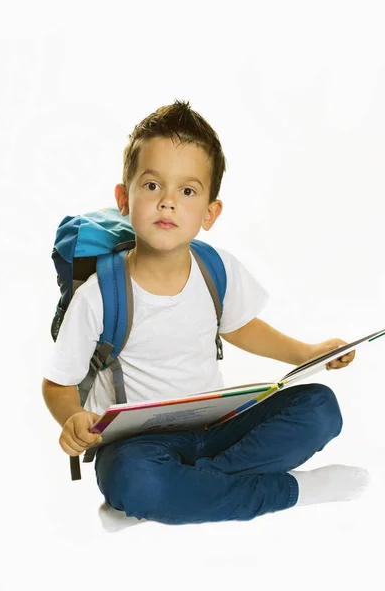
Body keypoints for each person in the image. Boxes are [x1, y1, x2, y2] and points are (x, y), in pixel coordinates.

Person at [42, 99, 369, 525]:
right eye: (152, 186)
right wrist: (73, 420)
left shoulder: (216, 268)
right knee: (133, 476)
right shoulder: (100, 295)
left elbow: (241, 327)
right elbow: (57, 384)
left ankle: (173, 494)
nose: (168, 203)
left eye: (188, 191)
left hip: (218, 430)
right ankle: (291, 491)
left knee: (321, 408)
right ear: (124, 198)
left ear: (210, 212)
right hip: (137, 447)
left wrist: (308, 353)